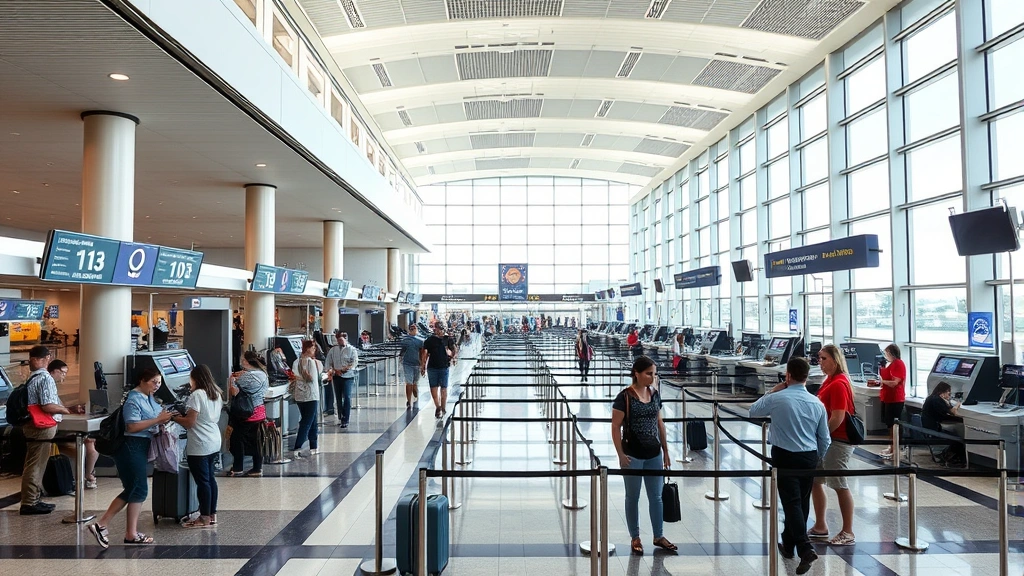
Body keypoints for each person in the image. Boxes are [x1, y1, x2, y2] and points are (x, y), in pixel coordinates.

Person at [749, 358, 830, 574]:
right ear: (806, 376)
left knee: (792, 502)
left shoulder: (778, 398)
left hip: (785, 456)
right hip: (809, 457)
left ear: (788, 375)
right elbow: (825, 439)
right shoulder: (817, 403)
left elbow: (753, 411)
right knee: (801, 502)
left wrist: (773, 391)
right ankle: (788, 543)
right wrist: (816, 457)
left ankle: (804, 548)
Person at [87, 368, 173, 547]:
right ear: (142, 380)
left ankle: (130, 533)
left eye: (159, 382)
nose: (157, 386)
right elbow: (132, 426)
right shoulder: (133, 400)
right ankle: (102, 524)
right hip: (130, 446)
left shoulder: (148, 397)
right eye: (153, 382)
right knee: (138, 488)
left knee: (134, 489)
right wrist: (157, 421)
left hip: (140, 446)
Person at [611, 355, 676, 556]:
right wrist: (620, 454)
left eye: (654, 374)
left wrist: (665, 451)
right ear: (637, 374)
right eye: (649, 373)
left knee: (656, 497)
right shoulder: (625, 397)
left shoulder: (655, 394)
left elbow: (660, 423)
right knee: (633, 497)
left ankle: (658, 535)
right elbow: (615, 427)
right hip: (632, 455)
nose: (652, 377)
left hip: (653, 453)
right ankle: (635, 536)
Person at [808, 344, 857, 546]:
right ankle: (821, 525)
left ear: (835, 360)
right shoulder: (829, 380)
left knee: (838, 483)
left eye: (824, 358)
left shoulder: (838, 383)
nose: (820, 362)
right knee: (816, 480)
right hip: (827, 439)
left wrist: (823, 436)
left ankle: (848, 531)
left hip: (838, 440)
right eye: (819, 358)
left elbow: (838, 416)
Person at [170, 365, 223, 529]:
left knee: (202, 482)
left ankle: (204, 518)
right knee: (210, 479)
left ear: (195, 378)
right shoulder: (216, 393)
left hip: (200, 443)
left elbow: (190, 423)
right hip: (214, 439)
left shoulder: (197, 395)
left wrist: (173, 417)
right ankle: (212, 514)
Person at [19, 346, 69, 515]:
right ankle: (30, 502)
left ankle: (33, 498)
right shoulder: (45, 377)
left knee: (34, 463)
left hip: (31, 425)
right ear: (48, 358)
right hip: (42, 426)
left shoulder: (31, 377)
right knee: (36, 464)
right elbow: (47, 406)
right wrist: (65, 410)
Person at [48, 359, 100, 489]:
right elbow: (54, 408)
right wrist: (68, 410)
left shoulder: (51, 386)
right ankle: (88, 474)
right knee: (90, 442)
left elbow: (59, 407)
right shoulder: (48, 385)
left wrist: (71, 409)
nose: (64, 376)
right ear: (54, 371)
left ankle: (88, 473)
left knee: (90, 441)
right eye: (63, 372)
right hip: (53, 426)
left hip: (58, 424)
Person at [227, 350, 269, 476]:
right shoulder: (262, 374)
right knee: (256, 441)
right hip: (259, 410)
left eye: (242, 359)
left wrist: (232, 379)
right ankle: (257, 468)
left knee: (237, 439)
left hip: (246, 412)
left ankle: (238, 467)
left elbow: (232, 388)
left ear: (246, 361)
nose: (240, 361)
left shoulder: (249, 376)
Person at [869, 344, 906, 461]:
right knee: (889, 424)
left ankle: (896, 449)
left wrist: (882, 381)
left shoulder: (899, 364)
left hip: (895, 399)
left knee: (894, 425)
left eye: (886, 353)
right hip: (887, 398)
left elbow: (895, 382)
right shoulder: (891, 365)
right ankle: (891, 447)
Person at [289, 340, 322, 457]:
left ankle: (314, 445)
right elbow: (313, 379)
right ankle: (297, 446)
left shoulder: (295, 362)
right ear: (308, 348)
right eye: (313, 348)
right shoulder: (312, 363)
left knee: (312, 420)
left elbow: (295, 376)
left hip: (299, 395)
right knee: (307, 422)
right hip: (311, 395)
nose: (315, 350)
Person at [922, 381, 966, 465]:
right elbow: (952, 412)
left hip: (929, 427)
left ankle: (947, 456)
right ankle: (952, 459)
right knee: (959, 439)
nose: (949, 395)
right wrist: (957, 405)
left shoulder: (931, 398)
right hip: (934, 429)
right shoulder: (937, 400)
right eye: (948, 392)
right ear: (943, 392)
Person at [422, 323, 458, 419]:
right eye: (437, 328)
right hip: (432, 367)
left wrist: (452, 357)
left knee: (443, 388)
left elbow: (454, 349)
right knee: (434, 388)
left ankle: (443, 407)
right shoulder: (429, 340)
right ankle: (438, 407)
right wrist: (423, 366)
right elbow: (425, 353)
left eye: (439, 328)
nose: (438, 330)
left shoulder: (448, 339)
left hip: (443, 367)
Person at [325, 331, 358, 429]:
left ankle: (346, 418)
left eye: (341, 340)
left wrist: (345, 369)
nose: (339, 342)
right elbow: (328, 362)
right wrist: (333, 371)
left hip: (348, 376)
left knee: (347, 397)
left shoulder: (352, 350)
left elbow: (354, 362)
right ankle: (340, 416)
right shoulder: (333, 350)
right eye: (338, 340)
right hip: (336, 376)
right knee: (338, 398)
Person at [400, 324, 424, 408]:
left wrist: (422, 364)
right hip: (407, 364)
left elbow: (422, 353)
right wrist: (400, 358)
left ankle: (415, 393)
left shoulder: (420, 341)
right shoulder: (405, 340)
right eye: (411, 328)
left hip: (417, 364)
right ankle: (409, 401)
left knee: (414, 383)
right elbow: (402, 351)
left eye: (414, 328)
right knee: (409, 383)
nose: (413, 330)